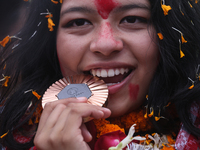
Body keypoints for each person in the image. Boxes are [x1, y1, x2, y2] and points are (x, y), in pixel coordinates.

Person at [0, 0, 200, 149]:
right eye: (79, 22)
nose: (105, 45)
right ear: (51, 43)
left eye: (132, 19)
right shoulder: (9, 134)